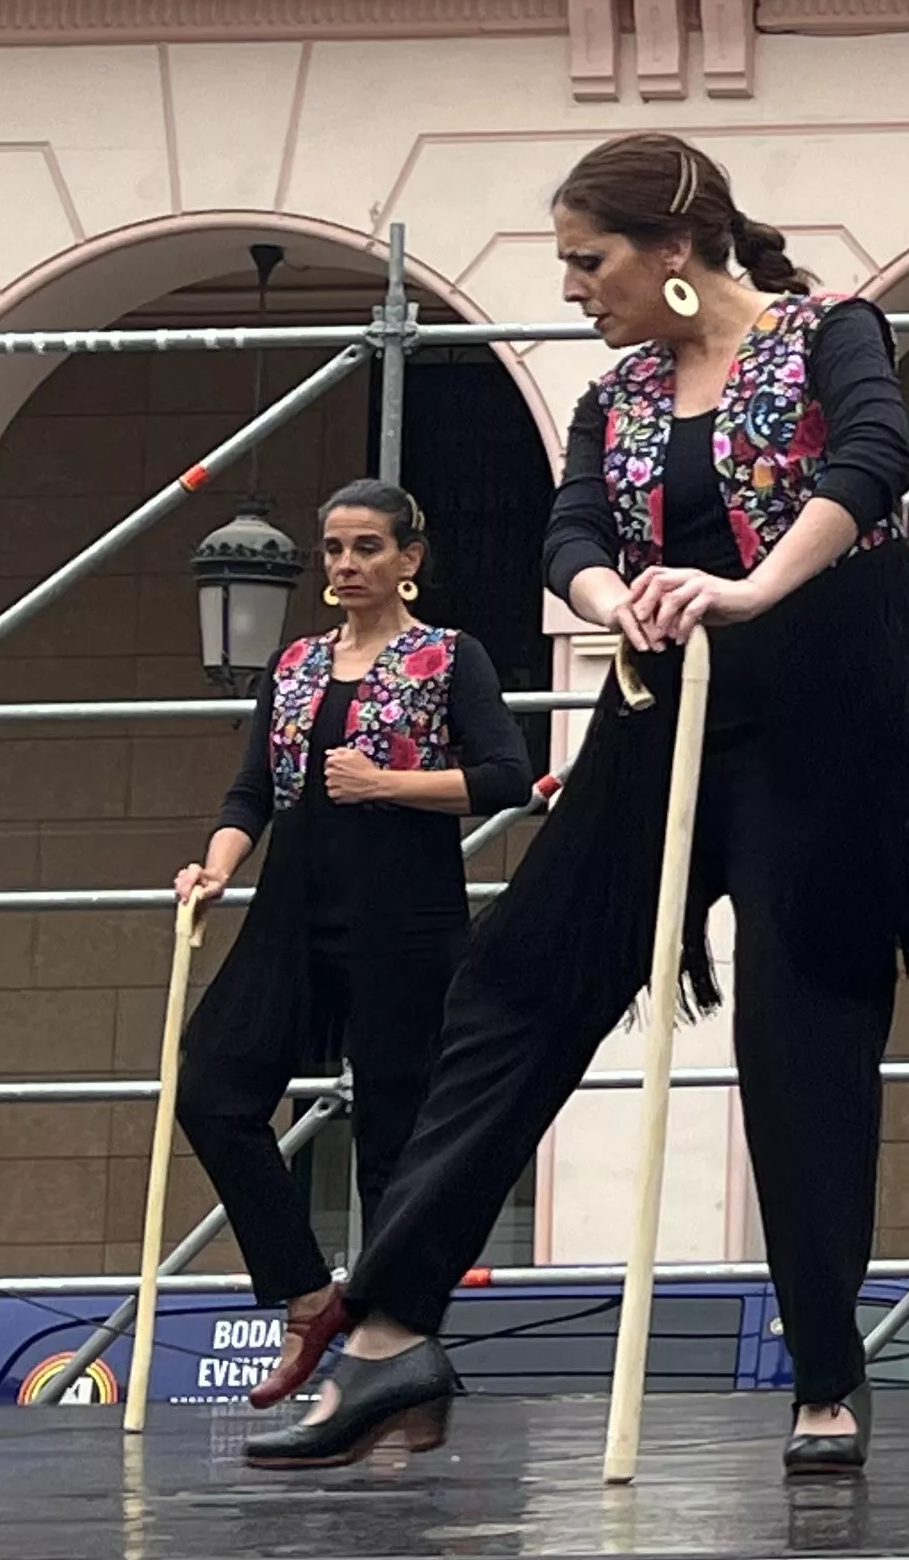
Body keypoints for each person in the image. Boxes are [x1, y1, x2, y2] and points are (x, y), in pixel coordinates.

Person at [246, 134, 909, 1477]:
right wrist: (615, 599)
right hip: (663, 708)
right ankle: (394, 1326)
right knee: (517, 985)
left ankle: (826, 1373)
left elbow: (875, 459)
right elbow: (571, 531)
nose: (577, 286)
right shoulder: (619, 395)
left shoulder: (830, 334)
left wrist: (757, 584)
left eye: (591, 260)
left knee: (798, 1035)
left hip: (826, 713)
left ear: (675, 246)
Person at [172, 483, 533, 1411]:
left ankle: (388, 1357)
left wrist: (387, 782)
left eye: (367, 547)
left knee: (394, 1137)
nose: (345, 565)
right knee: (212, 1083)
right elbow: (249, 791)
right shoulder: (292, 664)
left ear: (409, 558)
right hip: (294, 900)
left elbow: (503, 777)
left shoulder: (449, 657)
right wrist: (214, 867)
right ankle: (308, 1296)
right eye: (333, 548)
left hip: (403, 913)